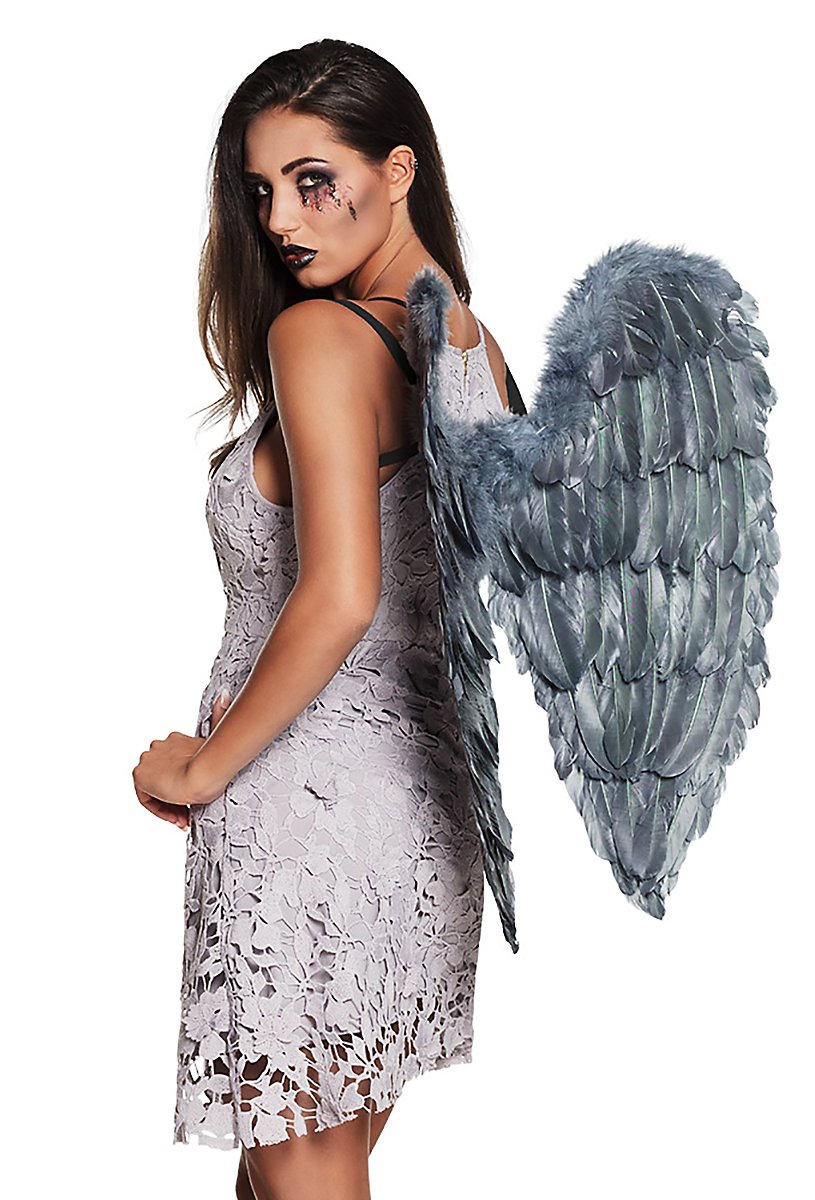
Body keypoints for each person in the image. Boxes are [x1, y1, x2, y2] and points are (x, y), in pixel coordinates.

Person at [132, 38, 523, 1200]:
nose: (281, 220)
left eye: (315, 181)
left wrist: (204, 767)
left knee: (301, 1172)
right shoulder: (473, 348)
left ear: (398, 169)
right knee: (293, 1176)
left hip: (305, 813)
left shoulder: (317, 338)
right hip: (427, 815)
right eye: (261, 191)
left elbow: (343, 592)